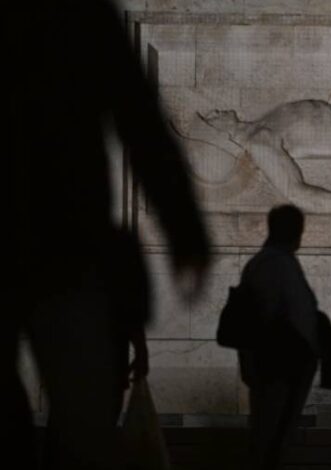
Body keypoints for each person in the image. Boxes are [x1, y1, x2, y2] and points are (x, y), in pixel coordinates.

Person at [2, 1, 211, 468]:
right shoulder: (78, 14)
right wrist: (184, 227)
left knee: (76, 409)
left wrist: (183, 224)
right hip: (66, 236)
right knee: (81, 410)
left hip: (63, 241)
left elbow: (136, 112)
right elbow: (137, 114)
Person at [238, 205, 320, 470]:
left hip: (282, 365)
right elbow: (263, 319)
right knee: (270, 439)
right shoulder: (273, 265)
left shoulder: (275, 263)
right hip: (277, 366)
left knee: (273, 439)